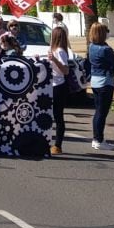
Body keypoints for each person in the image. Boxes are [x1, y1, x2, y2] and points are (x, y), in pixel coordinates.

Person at [88, 21, 114, 151]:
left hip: (95, 80)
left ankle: (96, 138)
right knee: (102, 112)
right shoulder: (106, 49)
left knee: (98, 111)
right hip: (105, 81)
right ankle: (99, 139)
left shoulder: (91, 47)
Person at [47, 27, 72, 155]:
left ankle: (58, 145)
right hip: (51, 85)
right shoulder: (53, 50)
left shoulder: (60, 51)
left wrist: (54, 59)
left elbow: (65, 70)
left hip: (58, 86)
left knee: (58, 116)